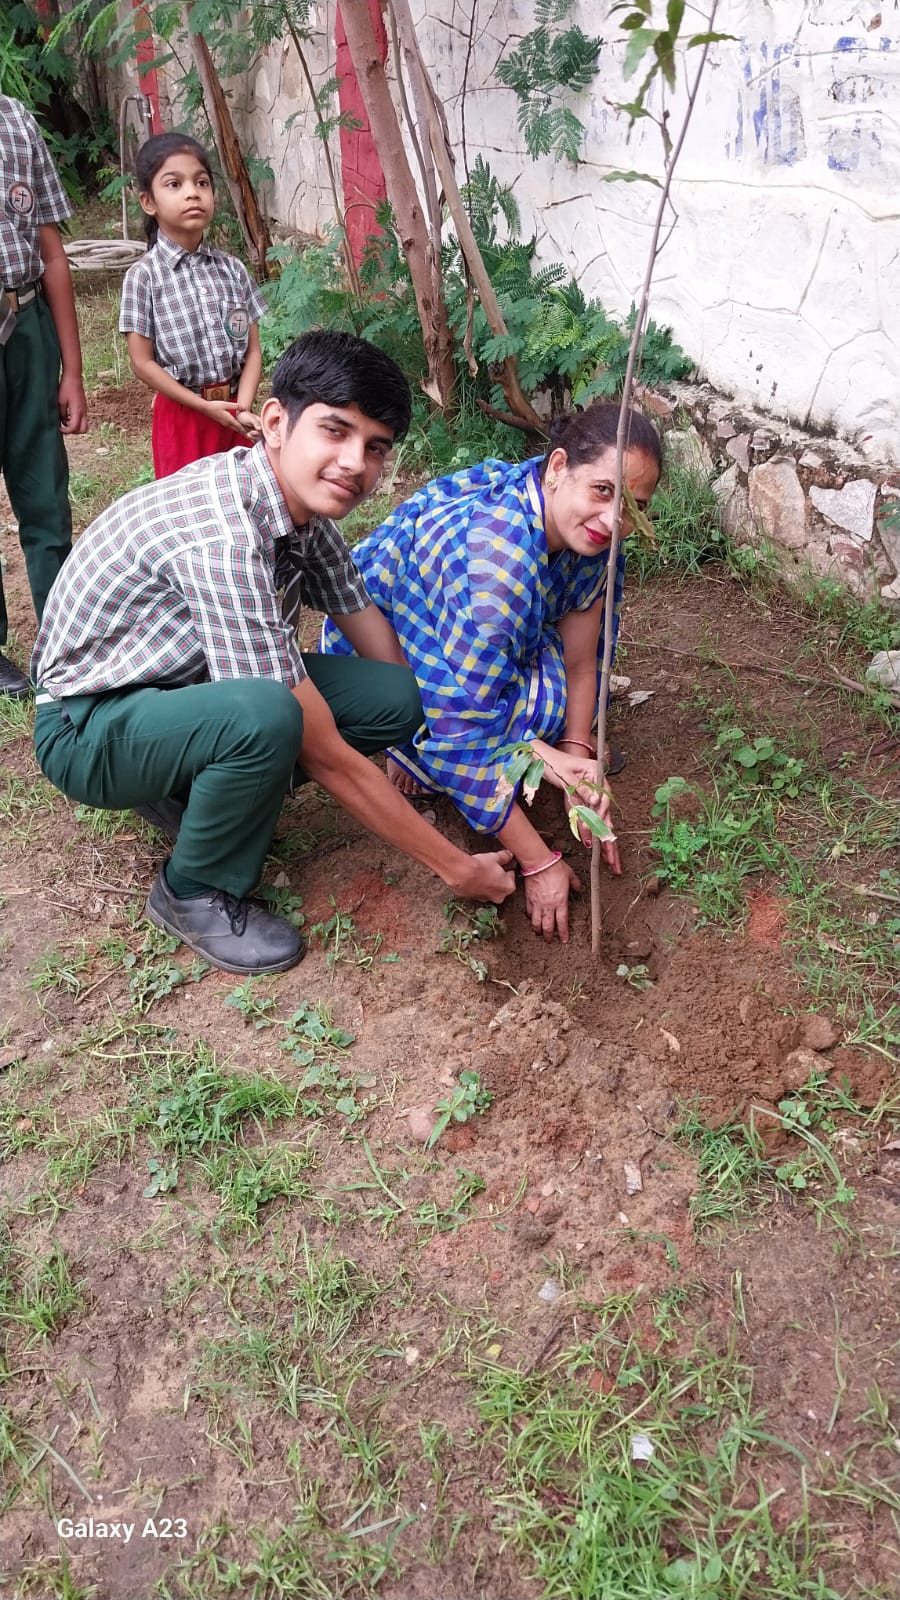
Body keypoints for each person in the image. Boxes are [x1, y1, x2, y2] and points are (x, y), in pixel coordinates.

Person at [31, 331, 515, 976]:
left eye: (375, 447)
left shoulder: (301, 515)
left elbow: (373, 637)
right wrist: (457, 868)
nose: (354, 463)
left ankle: (194, 791)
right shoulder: (224, 535)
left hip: (175, 689)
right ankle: (192, 891)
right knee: (270, 714)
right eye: (335, 431)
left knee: (394, 697)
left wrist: (451, 752)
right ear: (276, 422)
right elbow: (326, 753)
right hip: (86, 724)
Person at [322, 402, 662, 944]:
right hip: (382, 652)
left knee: (554, 702)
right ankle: (406, 747)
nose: (612, 519)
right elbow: (460, 730)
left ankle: (527, 752)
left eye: (633, 507)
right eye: (603, 490)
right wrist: (539, 862)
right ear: (558, 467)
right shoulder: (496, 567)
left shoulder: (592, 534)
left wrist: (576, 756)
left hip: (466, 634)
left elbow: (581, 658)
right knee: (472, 733)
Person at [0, 94, 88, 699]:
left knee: (45, 494)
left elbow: (51, 252)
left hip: (27, 327)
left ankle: (65, 642)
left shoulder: (15, 121)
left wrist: (71, 369)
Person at [119, 132, 267, 480]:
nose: (192, 193)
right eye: (174, 184)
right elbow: (142, 362)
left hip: (234, 413)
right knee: (186, 503)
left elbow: (253, 351)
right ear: (148, 202)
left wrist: (242, 407)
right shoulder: (144, 277)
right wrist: (202, 406)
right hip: (181, 418)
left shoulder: (233, 270)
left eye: (202, 182)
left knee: (241, 497)